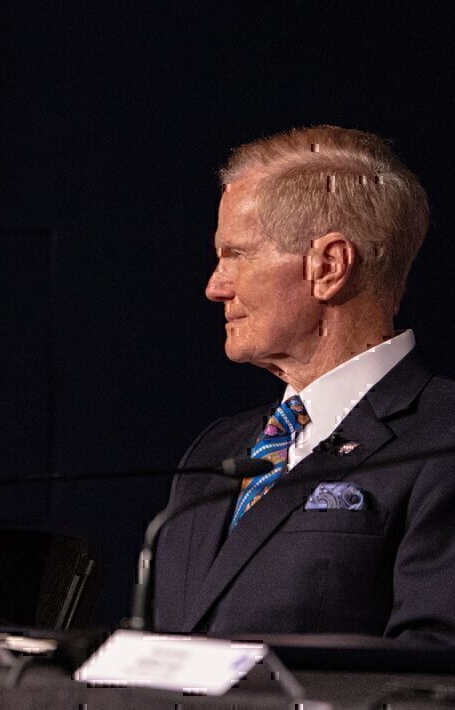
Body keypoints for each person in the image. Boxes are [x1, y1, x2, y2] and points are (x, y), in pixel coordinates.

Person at [154, 125, 455, 643]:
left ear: (328, 267)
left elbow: (430, 678)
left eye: (237, 255)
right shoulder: (217, 450)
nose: (214, 286)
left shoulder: (442, 439)